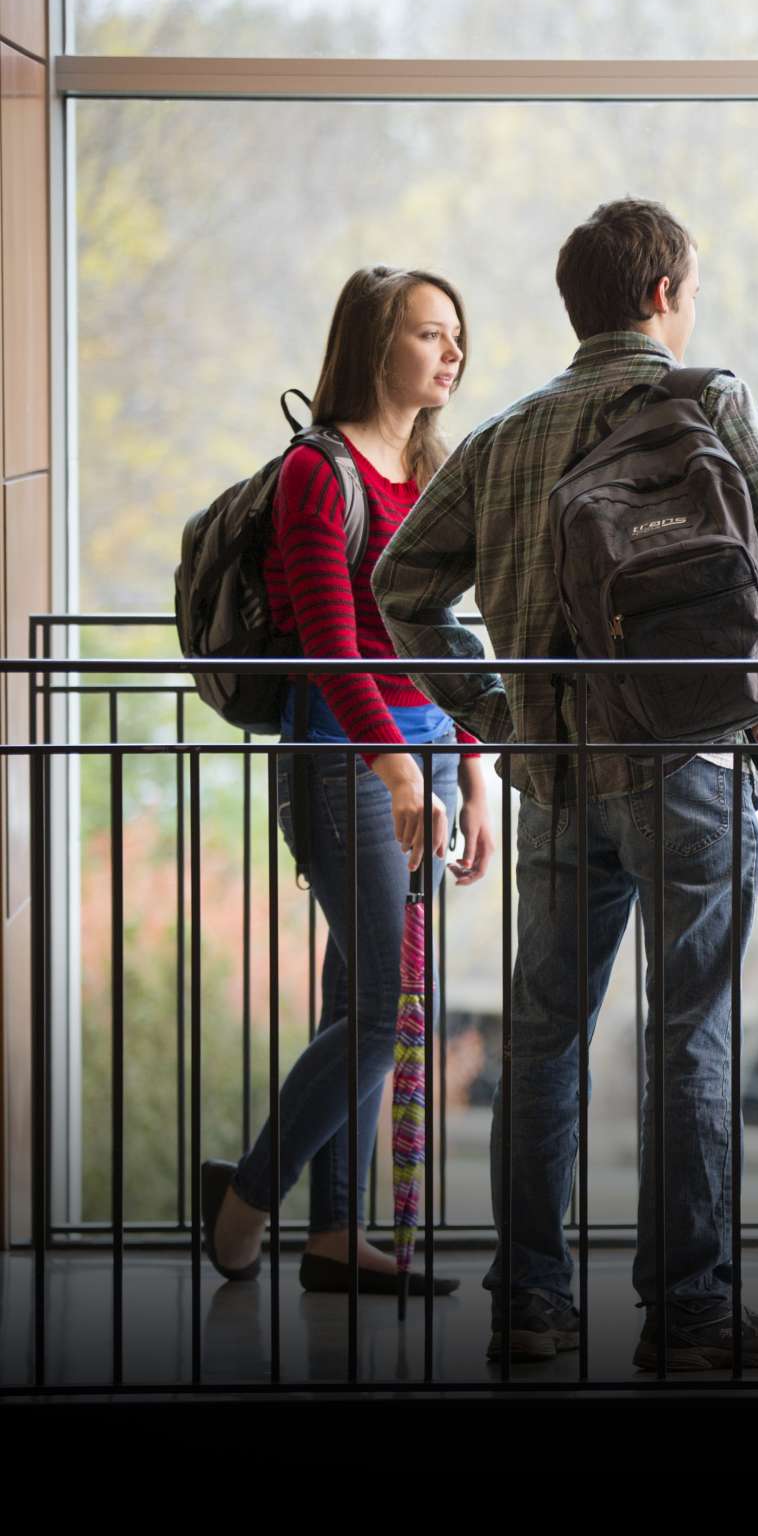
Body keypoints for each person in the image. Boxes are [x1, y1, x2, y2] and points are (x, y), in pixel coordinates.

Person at [373, 198, 758, 1371]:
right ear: (667, 292)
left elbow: (401, 587)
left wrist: (494, 712)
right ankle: (687, 1314)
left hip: (556, 778)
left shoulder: (509, 435)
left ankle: (529, 1303)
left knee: (542, 1032)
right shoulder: (706, 402)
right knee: (689, 1034)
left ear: (576, 305)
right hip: (686, 769)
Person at [200, 265, 494, 1298]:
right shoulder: (318, 474)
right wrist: (402, 765)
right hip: (348, 763)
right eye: (428, 333)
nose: (451, 352)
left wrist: (468, 770)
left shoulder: (430, 469)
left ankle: (335, 1237)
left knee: (359, 996)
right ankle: (243, 1201)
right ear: (375, 345)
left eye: (457, 335)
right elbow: (333, 645)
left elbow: (439, 639)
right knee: (386, 1007)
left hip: (417, 766)